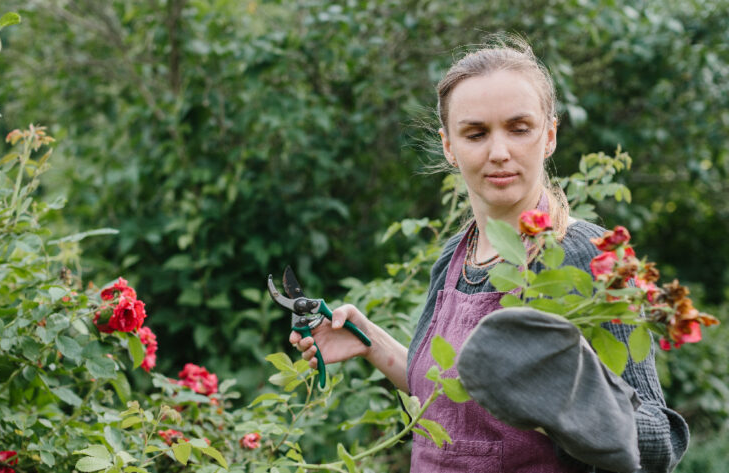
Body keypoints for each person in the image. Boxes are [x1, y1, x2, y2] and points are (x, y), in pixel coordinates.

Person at [289, 36, 689, 472]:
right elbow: (451, 395)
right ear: (448, 147)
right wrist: (372, 343)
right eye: (476, 133)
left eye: (519, 128)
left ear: (550, 135)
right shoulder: (454, 256)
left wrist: (570, 407)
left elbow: (661, 442)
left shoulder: (587, 258)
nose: (499, 153)